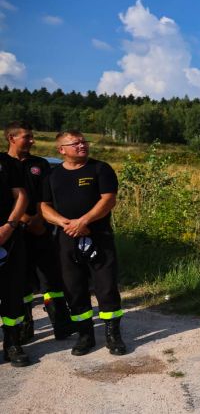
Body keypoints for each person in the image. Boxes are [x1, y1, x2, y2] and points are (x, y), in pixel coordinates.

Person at [40, 130, 126, 357]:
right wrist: (65, 223)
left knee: (106, 287)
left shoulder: (100, 169)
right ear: (61, 150)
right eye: (75, 143)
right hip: (66, 238)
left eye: (83, 142)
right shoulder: (52, 176)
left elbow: (108, 200)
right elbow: (44, 206)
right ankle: (85, 336)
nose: (82, 146)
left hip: (99, 237)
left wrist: (84, 221)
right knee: (74, 289)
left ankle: (113, 335)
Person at [4, 122, 74, 342]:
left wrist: (38, 220)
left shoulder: (40, 164)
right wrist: (23, 219)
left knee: (51, 278)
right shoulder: (2, 163)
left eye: (32, 136)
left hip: (41, 227)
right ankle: (25, 328)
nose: (32, 141)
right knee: (20, 282)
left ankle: (61, 324)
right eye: (27, 137)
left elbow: (47, 196)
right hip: (13, 231)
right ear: (11, 138)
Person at [0, 128, 30, 366]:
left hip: (8, 237)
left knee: (12, 294)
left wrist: (9, 226)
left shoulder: (7, 163)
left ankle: (12, 343)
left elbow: (21, 196)